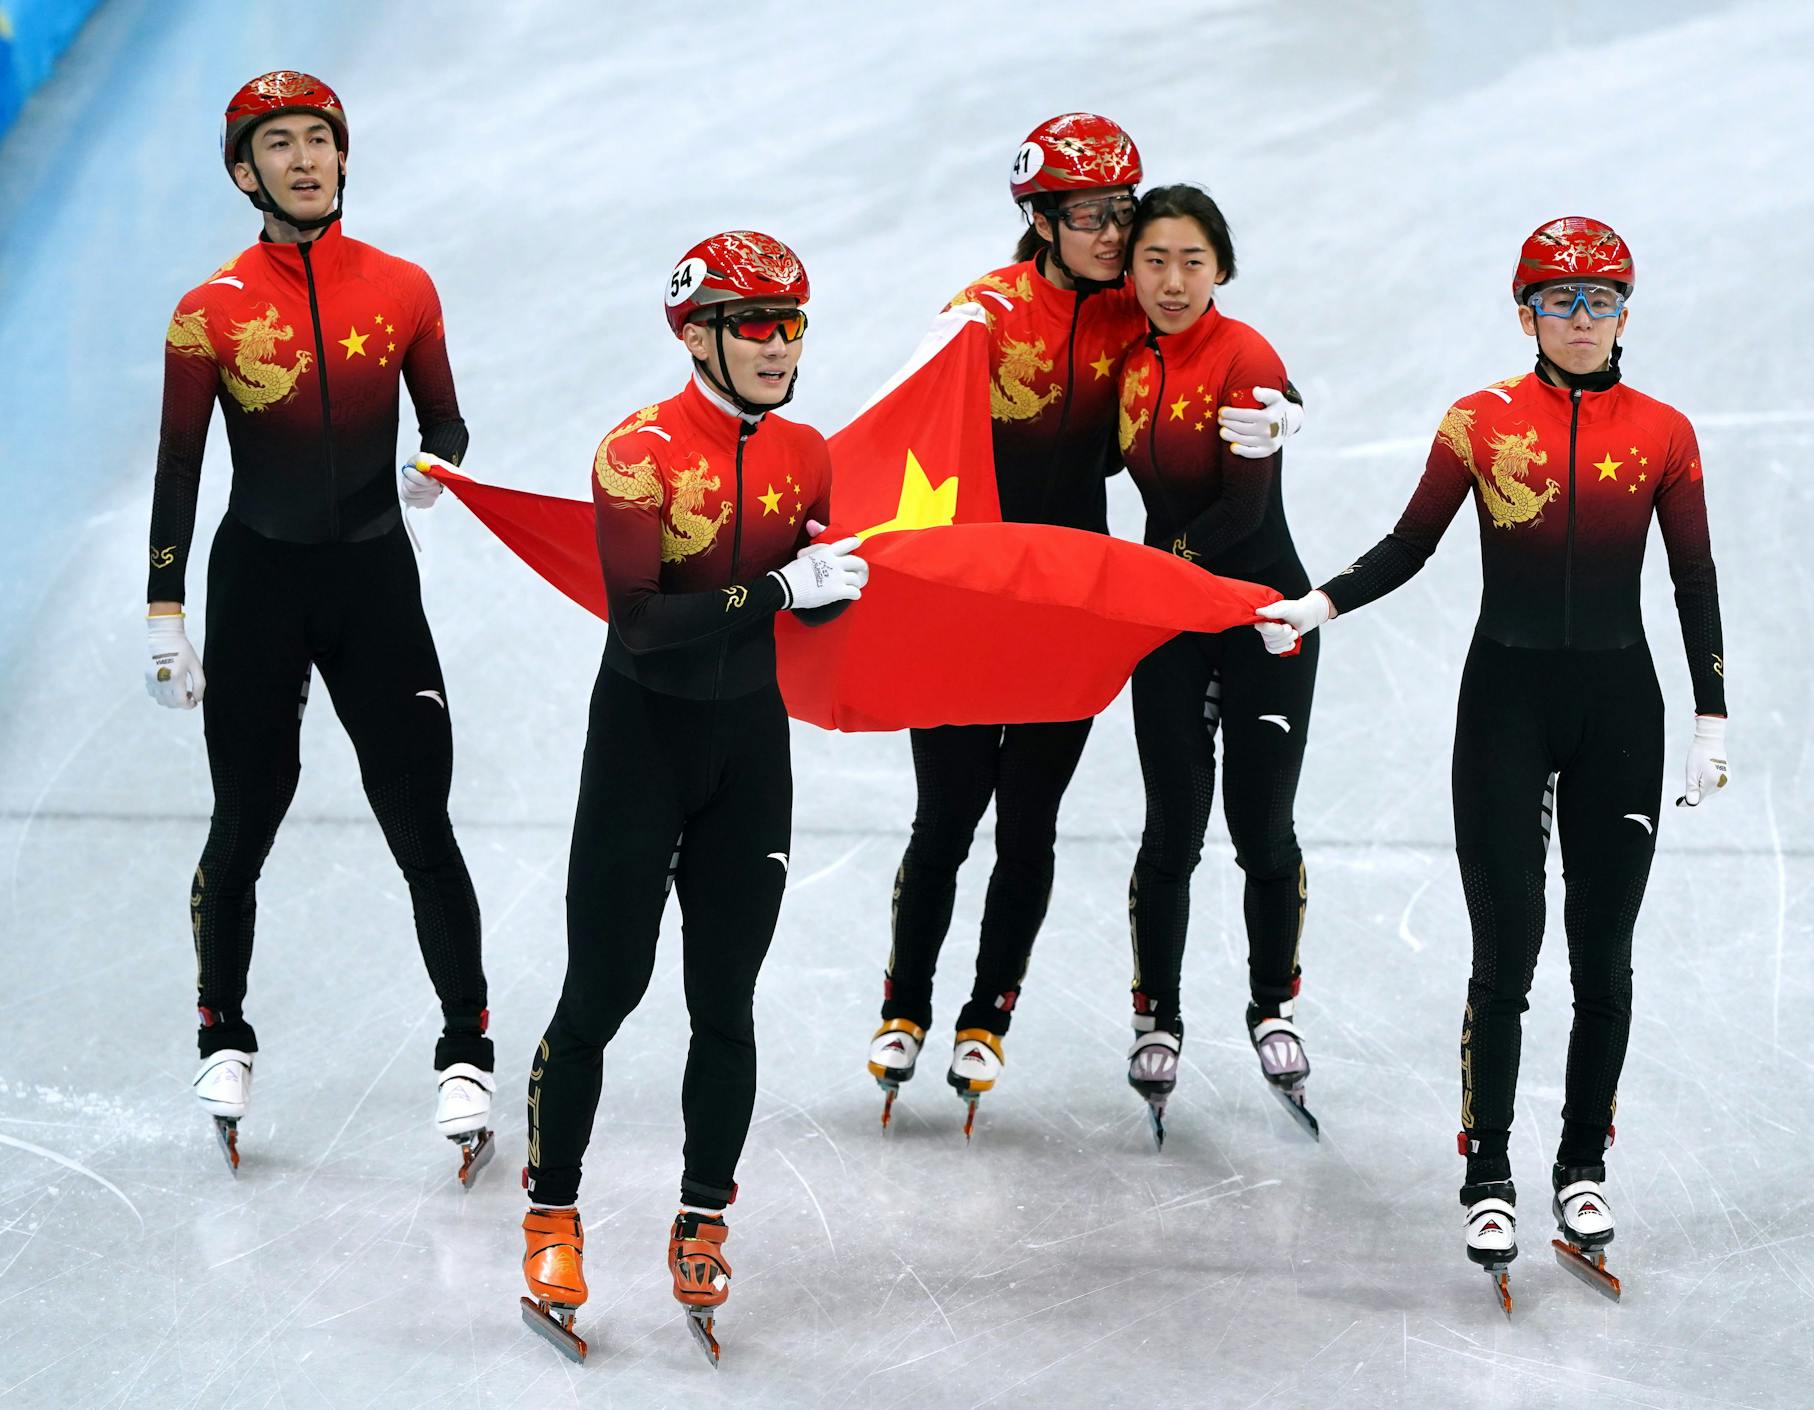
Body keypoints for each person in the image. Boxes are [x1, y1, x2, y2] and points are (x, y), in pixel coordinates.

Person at [1256, 217, 1729, 1309]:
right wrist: (1320, 605)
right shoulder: (1478, 422)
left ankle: (1581, 1168)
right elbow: (1409, 543)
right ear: (1525, 314)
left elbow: (1693, 577)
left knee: (1602, 958)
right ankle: (1487, 1172)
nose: (1581, 318)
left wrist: (1711, 717)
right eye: (1560, 299)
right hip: (1505, 709)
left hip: (1619, 710)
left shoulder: (1663, 433)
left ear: (1625, 310)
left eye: (1601, 299)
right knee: (1505, 952)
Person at [865, 114, 1304, 1135]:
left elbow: (1223, 355)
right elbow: (897, 425)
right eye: (1091, 216)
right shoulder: (980, 313)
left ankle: (987, 1014)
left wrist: (1289, 408)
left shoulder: (1130, 313)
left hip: (1067, 603)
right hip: (969, 598)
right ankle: (903, 1006)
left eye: (1120, 212)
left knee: (1029, 822)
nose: (1114, 234)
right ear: (1040, 220)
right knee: (944, 817)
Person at [519, 231, 867, 1366]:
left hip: (748, 753)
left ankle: (703, 1216)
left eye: (793, 323)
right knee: (603, 992)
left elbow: (808, 603)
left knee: (726, 1000)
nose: (780, 346)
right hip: (641, 747)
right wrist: (779, 587)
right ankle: (551, 1213)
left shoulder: (806, 453)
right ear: (697, 334)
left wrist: (837, 586)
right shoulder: (638, 454)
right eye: (756, 325)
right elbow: (638, 622)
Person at [145, 70, 493, 1182]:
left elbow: (445, 420)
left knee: (419, 820)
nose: (304, 160)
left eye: (319, 140)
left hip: (374, 584)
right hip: (260, 583)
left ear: (343, 156)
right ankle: (222, 1031)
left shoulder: (403, 287)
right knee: (246, 817)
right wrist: (165, 614)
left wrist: (435, 465)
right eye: (279, 144)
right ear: (243, 172)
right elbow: (179, 469)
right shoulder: (208, 310)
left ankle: (466, 1046)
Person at [1111, 185, 1316, 1148]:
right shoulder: (1124, 356)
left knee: (1261, 829)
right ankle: (1157, 1014)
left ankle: (1274, 1004)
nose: (1172, 280)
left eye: (1192, 260)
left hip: (1261, 615)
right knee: (1171, 828)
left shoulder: (1245, 356)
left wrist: (1160, 569)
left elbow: (1243, 510)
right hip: (1171, 619)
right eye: (1154, 259)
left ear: (1221, 268)